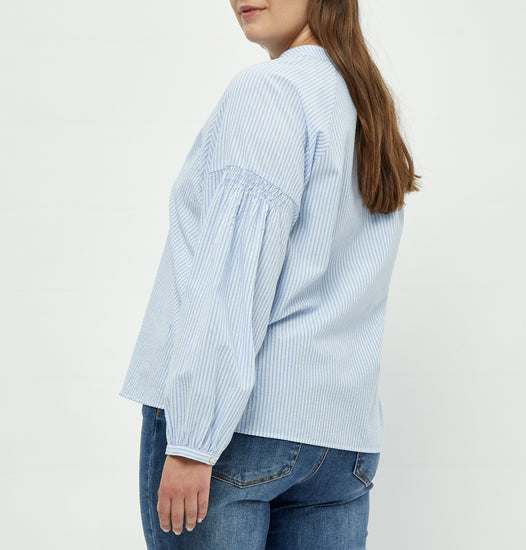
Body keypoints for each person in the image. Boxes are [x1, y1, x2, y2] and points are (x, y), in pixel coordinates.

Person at [119, 1, 421, 548]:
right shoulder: (366, 103)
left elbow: (232, 274)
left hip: (237, 435)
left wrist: (192, 439)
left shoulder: (271, 90)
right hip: (342, 443)